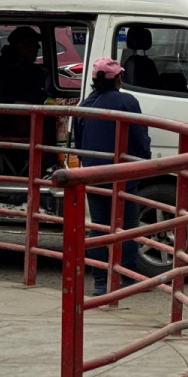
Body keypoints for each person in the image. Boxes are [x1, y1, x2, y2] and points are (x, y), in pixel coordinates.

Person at [74, 57, 151, 295]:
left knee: (99, 227)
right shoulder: (126, 100)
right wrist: (145, 161)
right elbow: (139, 136)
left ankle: (100, 280)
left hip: (93, 173)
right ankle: (125, 276)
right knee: (126, 226)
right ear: (119, 78)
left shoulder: (84, 105)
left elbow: (79, 142)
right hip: (122, 172)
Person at [0, 26, 48, 139]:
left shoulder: (32, 69)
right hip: (7, 122)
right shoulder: (0, 68)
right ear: (20, 45)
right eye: (31, 44)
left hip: (32, 117)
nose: (37, 48)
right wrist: (25, 105)